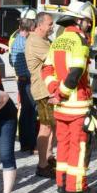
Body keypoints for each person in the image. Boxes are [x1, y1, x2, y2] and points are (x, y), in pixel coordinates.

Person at [42, 1, 97, 193]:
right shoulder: (80, 41)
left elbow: (47, 69)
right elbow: (75, 73)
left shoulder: (58, 40)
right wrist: (63, 92)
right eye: (87, 21)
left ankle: (61, 182)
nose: (89, 25)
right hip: (77, 106)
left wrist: (54, 90)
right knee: (79, 147)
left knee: (64, 145)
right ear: (79, 20)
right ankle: (76, 188)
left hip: (61, 107)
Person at [26, 11, 57, 178]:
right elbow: (55, 57)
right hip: (43, 90)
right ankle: (42, 165)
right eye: (50, 24)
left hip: (48, 89)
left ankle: (49, 157)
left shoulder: (43, 39)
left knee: (53, 125)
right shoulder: (36, 41)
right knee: (45, 127)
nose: (52, 27)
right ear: (39, 25)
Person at [9, 8, 38, 154]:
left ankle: (26, 144)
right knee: (30, 113)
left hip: (24, 81)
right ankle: (30, 144)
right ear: (30, 25)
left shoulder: (20, 39)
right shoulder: (24, 43)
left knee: (27, 112)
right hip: (27, 81)